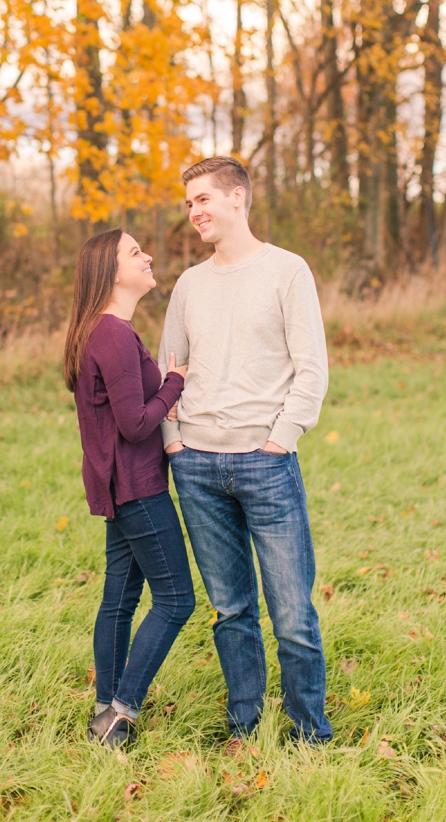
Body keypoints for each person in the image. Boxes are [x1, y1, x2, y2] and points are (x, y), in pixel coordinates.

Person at [158, 156, 333, 744]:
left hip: (266, 461)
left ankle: (309, 732)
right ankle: (244, 724)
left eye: (203, 199)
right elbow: (169, 369)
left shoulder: (287, 271)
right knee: (231, 611)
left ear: (238, 198)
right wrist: (174, 442)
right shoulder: (188, 284)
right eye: (188, 204)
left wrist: (282, 438)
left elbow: (311, 369)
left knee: (291, 614)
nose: (195, 212)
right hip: (198, 466)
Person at [64, 228, 195, 749]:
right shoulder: (113, 334)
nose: (148, 257)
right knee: (177, 600)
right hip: (138, 488)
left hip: (116, 486)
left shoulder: (97, 330)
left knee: (119, 599)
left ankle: (104, 711)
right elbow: (137, 424)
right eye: (135, 252)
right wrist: (176, 381)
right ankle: (120, 713)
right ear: (110, 271)